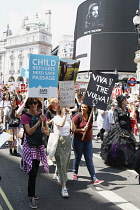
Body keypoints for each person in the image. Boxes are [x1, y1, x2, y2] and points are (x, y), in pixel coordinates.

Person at [21, 97, 49, 209]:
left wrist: (45, 130)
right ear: (28, 104)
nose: (33, 105)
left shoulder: (42, 115)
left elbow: (47, 132)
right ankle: (31, 196)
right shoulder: (25, 116)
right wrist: (38, 122)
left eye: (35, 103)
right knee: (32, 173)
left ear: (38, 104)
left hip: (39, 146)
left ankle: (31, 193)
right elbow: (28, 132)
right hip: (29, 146)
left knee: (35, 172)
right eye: (31, 103)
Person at [101, 95, 136, 168]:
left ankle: (127, 162)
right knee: (118, 146)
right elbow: (116, 121)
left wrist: (131, 129)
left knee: (128, 146)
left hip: (127, 129)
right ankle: (118, 162)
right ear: (122, 101)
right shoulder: (116, 110)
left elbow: (128, 120)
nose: (126, 100)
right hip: (118, 130)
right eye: (125, 99)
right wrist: (120, 132)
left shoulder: (126, 108)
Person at [72, 103, 104, 185]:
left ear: (88, 109)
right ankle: (75, 173)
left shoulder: (91, 115)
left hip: (88, 141)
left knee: (89, 158)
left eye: (85, 107)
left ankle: (94, 178)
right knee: (78, 157)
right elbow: (73, 129)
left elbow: (90, 128)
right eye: (82, 107)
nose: (82, 109)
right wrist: (82, 129)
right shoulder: (77, 116)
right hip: (78, 140)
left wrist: (90, 137)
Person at [49, 106, 75, 198]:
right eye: (64, 108)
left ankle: (57, 173)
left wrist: (71, 118)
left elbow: (73, 129)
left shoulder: (67, 117)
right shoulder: (56, 118)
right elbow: (60, 125)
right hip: (59, 141)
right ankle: (64, 187)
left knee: (66, 161)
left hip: (67, 140)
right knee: (61, 162)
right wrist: (64, 115)